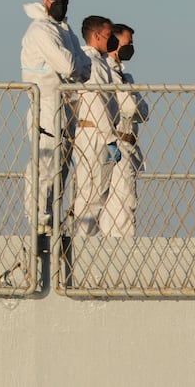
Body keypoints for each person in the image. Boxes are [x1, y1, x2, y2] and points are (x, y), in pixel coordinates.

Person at [20, 0, 91, 235]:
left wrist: (75, 66)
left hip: (67, 105)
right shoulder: (40, 30)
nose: (59, 3)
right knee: (45, 165)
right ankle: (38, 220)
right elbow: (71, 66)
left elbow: (86, 67)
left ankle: (50, 222)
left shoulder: (65, 30)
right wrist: (74, 66)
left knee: (61, 169)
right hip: (47, 106)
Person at [72, 16, 120, 237]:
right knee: (94, 194)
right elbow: (98, 102)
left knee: (88, 192)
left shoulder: (87, 61)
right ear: (97, 35)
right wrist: (110, 138)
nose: (112, 42)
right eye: (109, 36)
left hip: (87, 131)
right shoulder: (95, 64)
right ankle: (84, 240)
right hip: (96, 132)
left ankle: (85, 237)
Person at [104, 23, 149, 238]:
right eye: (127, 42)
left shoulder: (125, 77)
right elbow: (130, 107)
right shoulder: (109, 72)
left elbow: (144, 111)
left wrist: (134, 104)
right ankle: (121, 245)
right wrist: (134, 103)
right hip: (117, 141)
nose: (131, 47)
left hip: (130, 142)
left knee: (125, 200)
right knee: (122, 200)